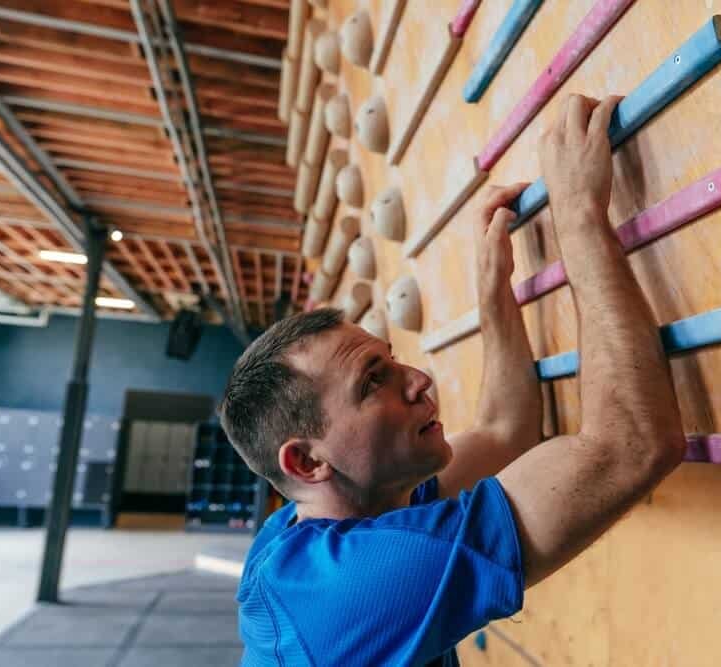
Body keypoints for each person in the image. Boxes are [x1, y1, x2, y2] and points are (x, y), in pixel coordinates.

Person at [219, 94, 686, 666]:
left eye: (393, 362)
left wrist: (495, 295)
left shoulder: (321, 521)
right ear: (308, 463)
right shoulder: (353, 587)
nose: (418, 380)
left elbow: (502, 433)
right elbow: (631, 447)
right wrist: (579, 216)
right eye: (373, 383)